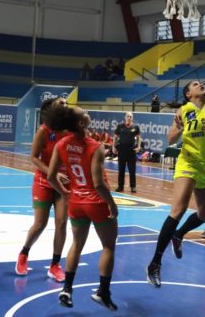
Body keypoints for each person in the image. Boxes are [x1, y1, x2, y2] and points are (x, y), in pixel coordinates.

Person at [146, 27, 205, 288]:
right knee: (178, 209)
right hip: (188, 163)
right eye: (195, 85)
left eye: (200, 84)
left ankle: (179, 235)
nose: (200, 85)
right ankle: (155, 263)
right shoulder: (183, 111)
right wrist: (178, 128)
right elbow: (170, 140)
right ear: (188, 94)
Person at [45, 106, 119, 310]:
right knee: (109, 247)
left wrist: (66, 193)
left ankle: (67, 289)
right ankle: (103, 292)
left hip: (76, 202)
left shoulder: (62, 144)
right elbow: (98, 183)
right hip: (96, 202)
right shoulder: (96, 147)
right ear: (81, 123)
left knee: (76, 245)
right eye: (84, 112)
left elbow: (51, 176)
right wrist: (111, 203)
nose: (88, 112)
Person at [16, 97, 70, 282]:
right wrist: (52, 173)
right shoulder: (44, 130)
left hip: (64, 183)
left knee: (62, 223)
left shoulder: (72, 129)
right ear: (51, 110)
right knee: (40, 224)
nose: (65, 105)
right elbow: (34, 157)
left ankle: (55, 265)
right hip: (44, 181)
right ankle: (24, 253)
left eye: (66, 103)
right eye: (61, 103)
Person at [113, 112, 141, 193]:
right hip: (122, 150)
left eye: (131, 117)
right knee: (121, 169)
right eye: (128, 116)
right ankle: (120, 186)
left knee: (132, 170)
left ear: (132, 118)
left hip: (131, 151)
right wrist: (113, 147)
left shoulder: (136, 127)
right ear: (125, 117)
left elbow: (139, 138)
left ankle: (133, 187)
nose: (129, 118)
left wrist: (138, 147)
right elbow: (115, 137)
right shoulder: (120, 126)